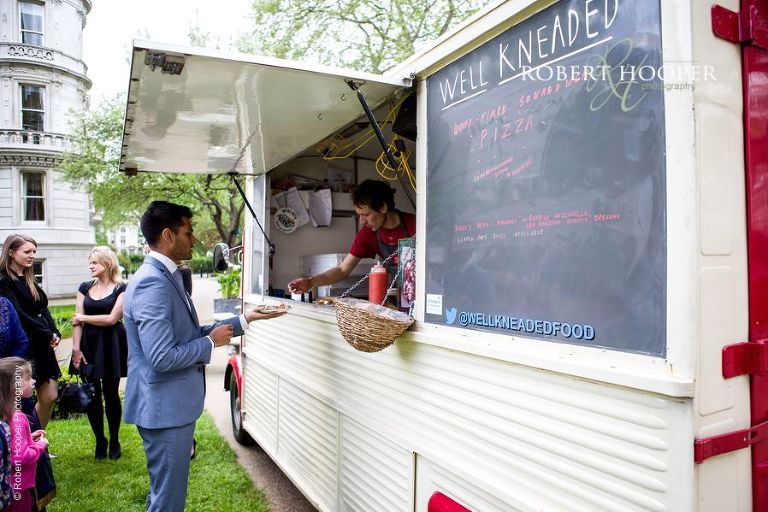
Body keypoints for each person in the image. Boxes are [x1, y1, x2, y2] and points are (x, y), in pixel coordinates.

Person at [123, 201, 286, 512]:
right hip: (163, 410)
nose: (195, 238)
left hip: (168, 408)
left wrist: (246, 319)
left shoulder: (165, 275)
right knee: (168, 501)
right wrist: (211, 343)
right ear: (168, 235)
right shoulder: (152, 282)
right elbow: (161, 356)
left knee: (164, 493)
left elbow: (183, 333)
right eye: (189, 231)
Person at [288, 179, 416, 295]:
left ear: (383, 207)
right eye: (359, 215)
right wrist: (310, 282)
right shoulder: (369, 233)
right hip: (396, 294)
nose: (362, 221)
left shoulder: (417, 227)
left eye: (365, 214)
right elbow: (342, 269)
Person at [70, 246, 128, 460]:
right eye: (90, 262)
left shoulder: (122, 288)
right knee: (92, 394)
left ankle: (114, 440)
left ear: (108, 263)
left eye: (94, 262)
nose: (90, 266)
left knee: (112, 394)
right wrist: (76, 349)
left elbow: (113, 318)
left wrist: (83, 318)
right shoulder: (84, 287)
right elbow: (76, 323)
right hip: (89, 345)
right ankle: (99, 441)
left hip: (112, 343)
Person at [0, 235, 61, 428]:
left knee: (51, 395)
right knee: (21, 403)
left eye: (34, 251)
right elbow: (19, 314)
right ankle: (25, 446)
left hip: (42, 346)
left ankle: (36, 443)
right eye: (27, 251)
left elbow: (42, 308)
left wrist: (55, 332)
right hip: (24, 347)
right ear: (11, 252)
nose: (32, 255)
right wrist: (46, 334)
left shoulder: (28, 278)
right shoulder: (4, 281)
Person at [0, 357, 49, 512]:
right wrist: (40, 445)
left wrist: (28, 437)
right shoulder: (18, 418)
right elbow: (20, 457)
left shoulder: (5, 414)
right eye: (28, 378)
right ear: (16, 387)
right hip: (19, 488)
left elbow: (10, 445)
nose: (34, 381)